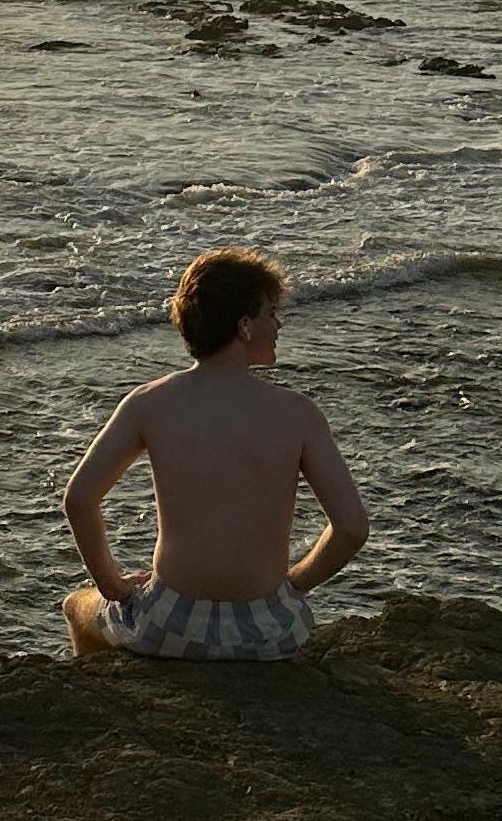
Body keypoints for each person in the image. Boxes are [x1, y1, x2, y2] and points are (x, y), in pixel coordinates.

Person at [59, 248, 366, 662]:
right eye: (271, 313)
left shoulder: (149, 403)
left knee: (76, 605)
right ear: (244, 326)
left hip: (169, 625)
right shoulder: (298, 414)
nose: (278, 324)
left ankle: (99, 685)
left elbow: (79, 498)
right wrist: (294, 584)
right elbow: (351, 528)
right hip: (268, 631)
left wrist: (112, 585)